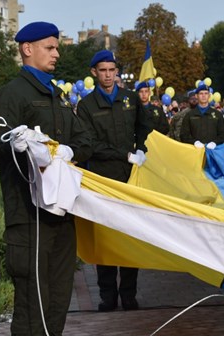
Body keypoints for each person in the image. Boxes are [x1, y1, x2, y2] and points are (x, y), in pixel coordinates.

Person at [0, 21, 92, 335]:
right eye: (50, 47)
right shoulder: (12, 94)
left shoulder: (56, 95)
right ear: (27, 49)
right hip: (29, 216)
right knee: (34, 306)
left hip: (61, 214)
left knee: (59, 301)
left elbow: (85, 140)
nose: (56, 53)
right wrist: (18, 145)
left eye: (57, 47)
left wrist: (69, 151)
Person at [76, 49, 152, 312]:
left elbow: (145, 127)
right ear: (94, 73)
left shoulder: (130, 99)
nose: (108, 75)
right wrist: (125, 153)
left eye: (112, 70)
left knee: (131, 236)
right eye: (103, 71)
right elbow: (89, 144)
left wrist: (142, 148)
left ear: (116, 71)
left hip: (132, 178)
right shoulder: (86, 106)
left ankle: (129, 294)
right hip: (102, 179)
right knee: (106, 238)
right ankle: (107, 296)